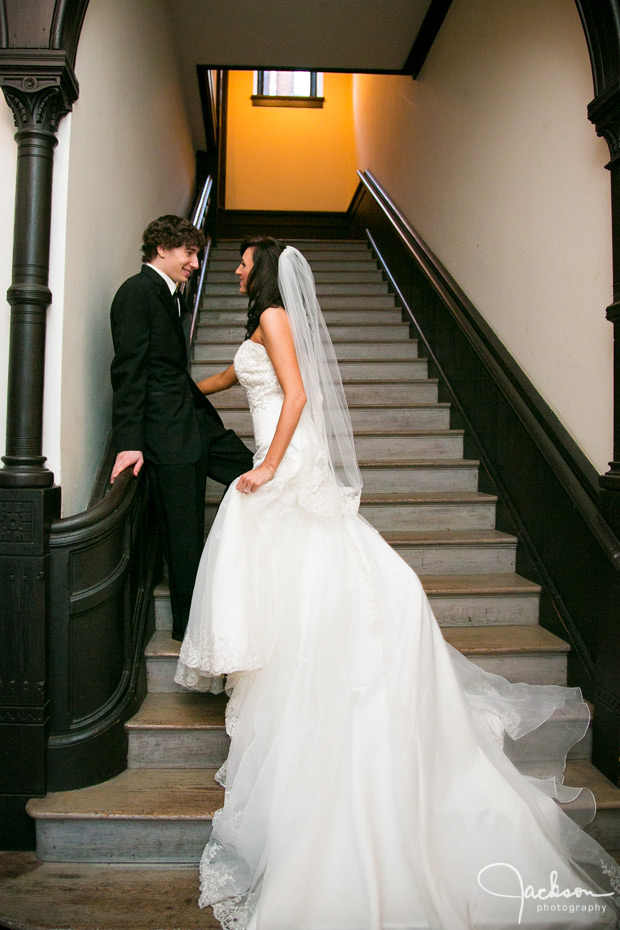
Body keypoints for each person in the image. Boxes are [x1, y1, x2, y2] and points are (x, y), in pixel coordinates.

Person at [175, 237, 620, 929]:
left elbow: (295, 396)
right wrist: (179, 388)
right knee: (293, 579)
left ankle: (326, 668)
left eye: (240, 261)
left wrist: (270, 466)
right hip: (280, 457)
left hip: (289, 463)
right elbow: (236, 381)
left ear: (261, 270)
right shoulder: (257, 328)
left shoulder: (273, 319)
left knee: (316, 571)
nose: (231, 268)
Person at [109, 215, 253, 641]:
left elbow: (170, 372)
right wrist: (130, 442)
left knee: (256, 471)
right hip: (166, 437)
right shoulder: (136, 293)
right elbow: (129, 371)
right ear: (162, 249)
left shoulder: (171, 296)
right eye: (189, 253)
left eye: (195, 254)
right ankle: (192, 632)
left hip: (194, 424)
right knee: (184, 534)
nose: (194, 263)